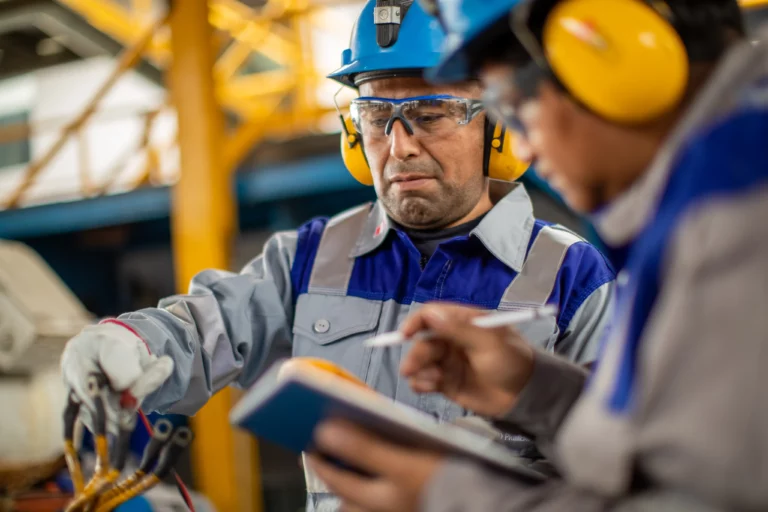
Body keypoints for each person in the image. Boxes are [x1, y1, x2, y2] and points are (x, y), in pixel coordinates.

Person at [59, 1, 615, 510]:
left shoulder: (570, 275)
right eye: (377, 117)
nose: (399, 147)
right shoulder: (310, 256)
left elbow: (616, 470)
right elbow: (208, 328)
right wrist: (131, 341)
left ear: (494, 126)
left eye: (430, 114)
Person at [305, 1, 768, 511]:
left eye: (512, 102)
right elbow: (674, 441)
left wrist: (447, 497)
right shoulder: (708, 190)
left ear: (613, 52)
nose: (521, 149)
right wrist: (534, 390)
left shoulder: (739, 211)